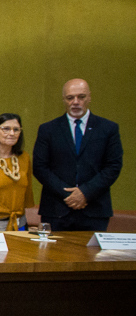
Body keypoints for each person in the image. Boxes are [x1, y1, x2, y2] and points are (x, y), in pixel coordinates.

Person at [33, 78, 123, 232]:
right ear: (64, 100)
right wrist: (68, 195)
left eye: (81, 97)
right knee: (53, 255)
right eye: (70, 98)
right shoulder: (48, 129)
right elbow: (40, 167)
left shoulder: (108, 129)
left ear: (89, 98)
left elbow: (113, 166)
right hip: (57, 209)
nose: (75, 102)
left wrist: (85, 193)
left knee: (93, 256)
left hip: (94, 209)